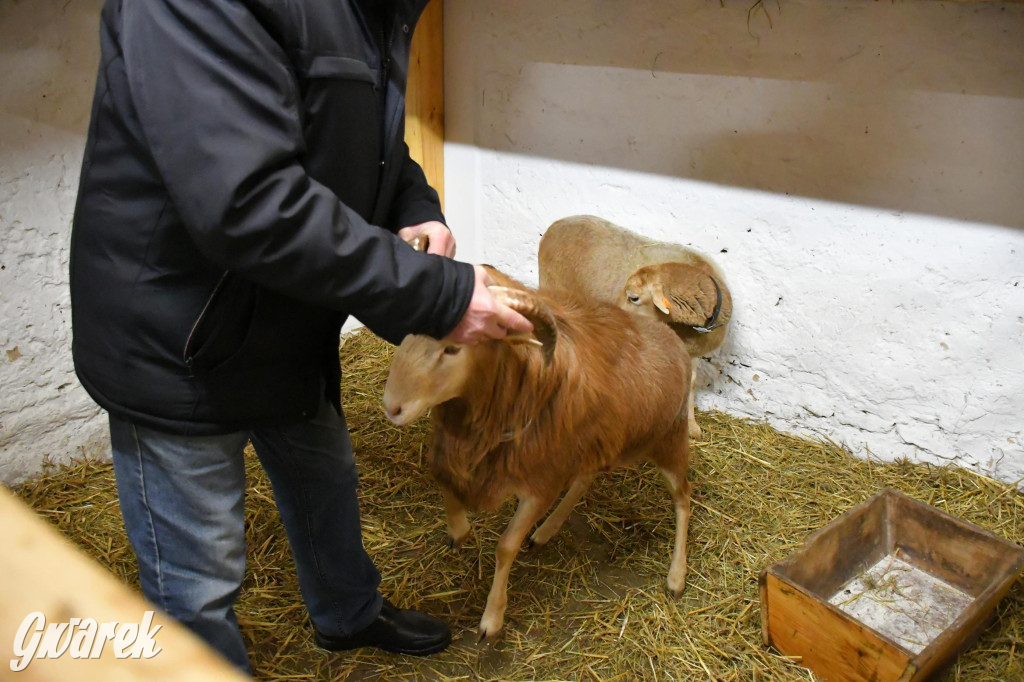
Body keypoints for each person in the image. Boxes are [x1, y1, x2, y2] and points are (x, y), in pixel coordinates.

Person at [68, 0, 532, 673]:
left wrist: (416, 209)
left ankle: (348, 613)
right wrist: (439, 294)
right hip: (178, 337)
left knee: (325, 481)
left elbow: (369, 142)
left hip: (287, 314)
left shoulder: (376, 10)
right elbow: (245, 200)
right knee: (196, 577)